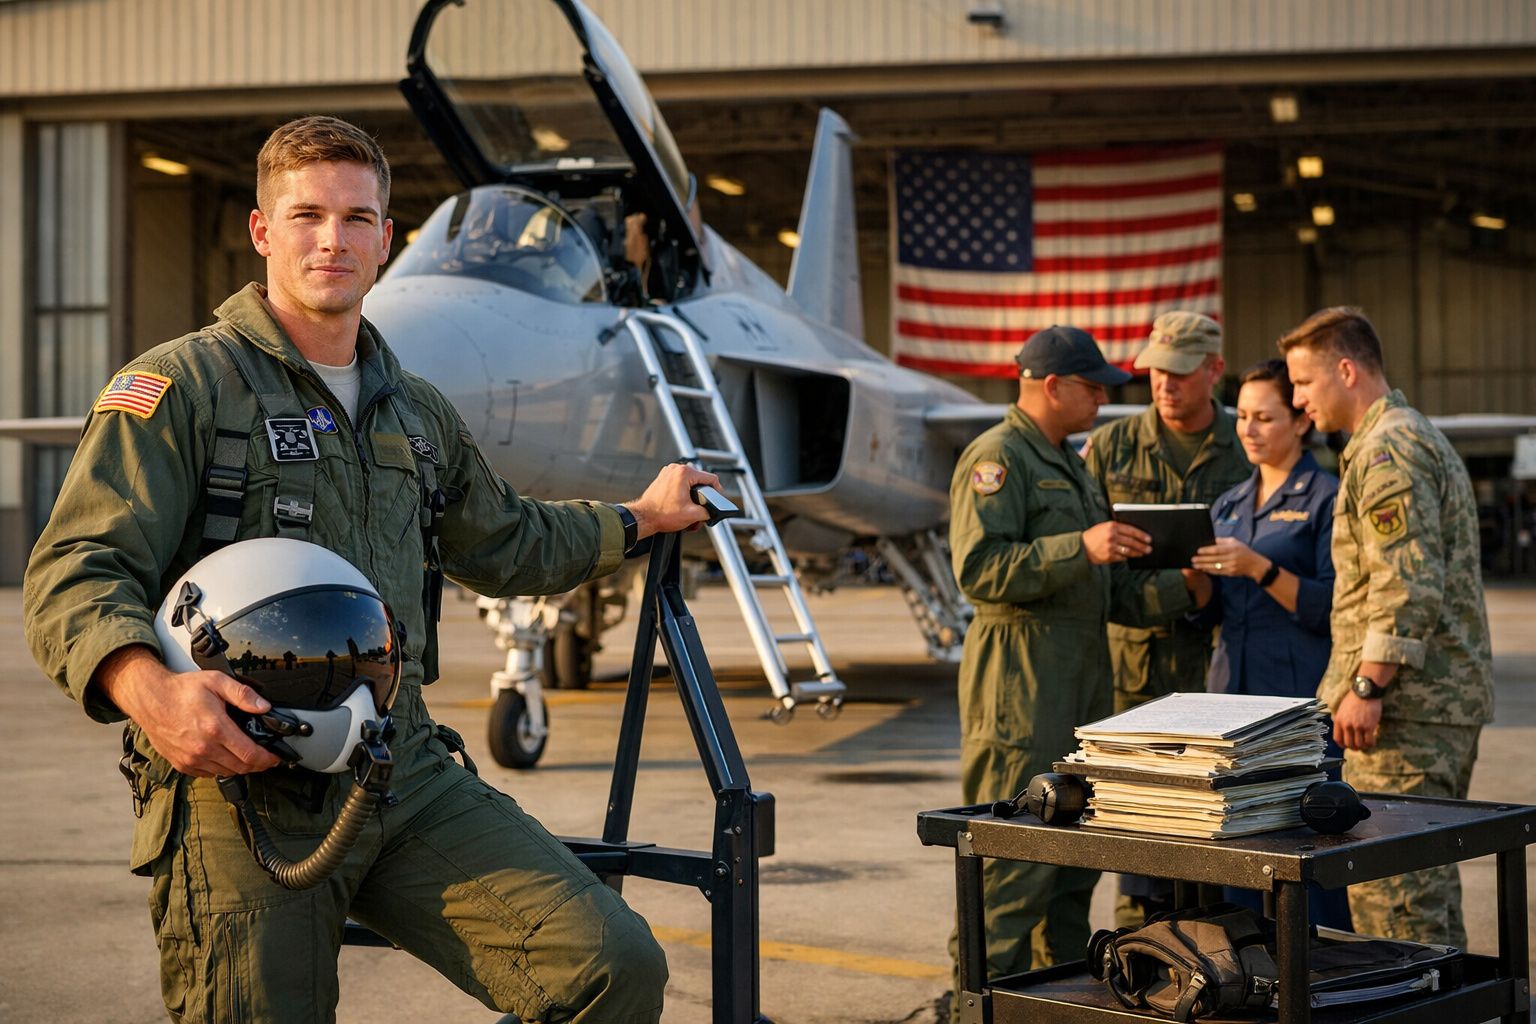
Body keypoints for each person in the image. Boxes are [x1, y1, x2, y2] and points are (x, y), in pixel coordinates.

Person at [22, 115, 717, 1023]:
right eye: (306, 214)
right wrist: (149, 692)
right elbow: (76, 569)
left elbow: (507, 540)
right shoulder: (183, 389)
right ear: (263, 231)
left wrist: (640, 519)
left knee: (611, 968)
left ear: (387, 240)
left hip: (403, 769)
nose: (331, 240)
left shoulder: (415, 411)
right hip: (242, 790)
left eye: (357, 219)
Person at [948, 324, 1210, 990]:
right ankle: (973, 1007)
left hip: (1080, 694)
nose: (1102, 399)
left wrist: (1185, 586)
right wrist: (1080, 547)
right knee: (1013, 869)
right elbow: (978, 570)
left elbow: (1106, 591)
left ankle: (1056, 1003)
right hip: (1021, 695)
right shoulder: (998, 458)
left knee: (1070, 869)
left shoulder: (1070, 463)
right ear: (1052, 385)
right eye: (1093, 387)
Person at [1280, 306, 1493, 947]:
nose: (1298, 400)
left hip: (1406, 715)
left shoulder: (1388, 449)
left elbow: (1407, 583)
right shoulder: (1400, 436)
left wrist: (1368, 687)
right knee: (1418, 889)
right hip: (1424, 709)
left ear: (1346, 371)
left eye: (1304, 384)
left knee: (1397, 902)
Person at [1082, 310, 1250, 926]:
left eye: (1179, 373)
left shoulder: (1249, 443)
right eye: (1155, 373)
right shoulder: (1112, 447)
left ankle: (1221, 960)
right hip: (1137, 672)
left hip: (1221, 665)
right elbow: (1096, 560)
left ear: (1214, 370)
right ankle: (1141, 959)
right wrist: (1179, 587)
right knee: (1138, 828)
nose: (1164, 385)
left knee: (1221, 828)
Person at [1188, 359, 1351, 930]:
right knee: (1235, 844)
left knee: (1305, 846)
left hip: (1294, 697)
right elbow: (1210, 614)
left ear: (1300, 423)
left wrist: (1259, 568)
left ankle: (1325, 978)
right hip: (1229, 695)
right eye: (1243, 417)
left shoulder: (1329, 498)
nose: (1250, 430)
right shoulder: (1229, 504)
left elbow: (1332, 606)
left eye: (1266, 417)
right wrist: (1197, 580)